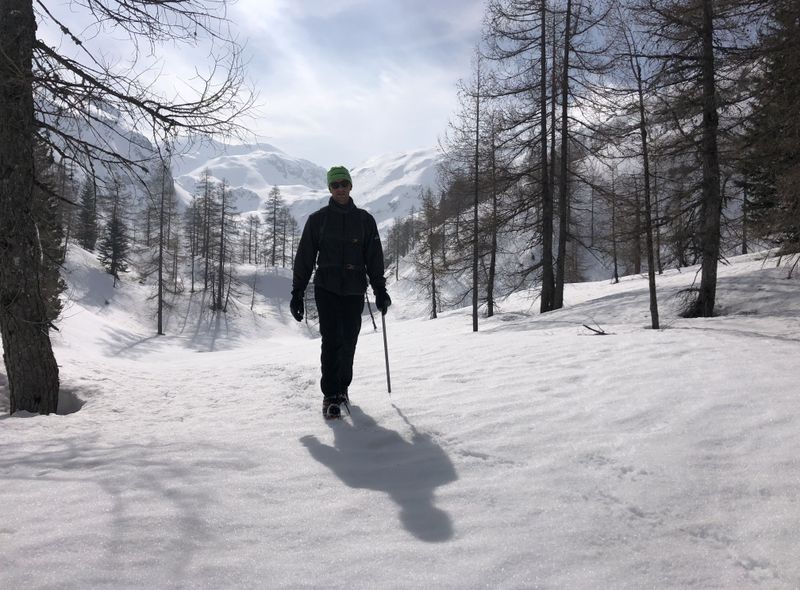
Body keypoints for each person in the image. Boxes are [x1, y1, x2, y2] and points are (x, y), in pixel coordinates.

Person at [290, 166, 391, 419]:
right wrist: (297, 292)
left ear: (350, 186)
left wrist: (380, 289)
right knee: (331, 340)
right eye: (335, 185)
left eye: (344, 183)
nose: (340, 189)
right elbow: (305, 257)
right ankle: (330, 395)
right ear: (329, 188)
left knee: (349, 341)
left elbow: (374, 258)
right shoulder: (318, 220)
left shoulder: (365, 220)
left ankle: (343, 386)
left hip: (355, 290)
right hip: (327, 288)